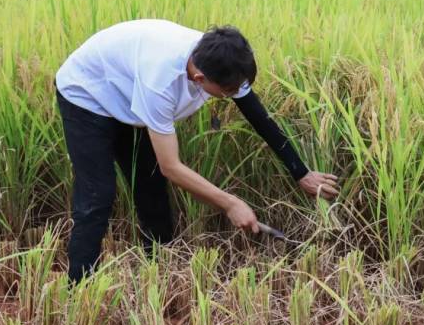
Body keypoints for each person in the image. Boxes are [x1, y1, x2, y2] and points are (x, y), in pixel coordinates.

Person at [55, 19, 339, 284]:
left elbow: (259, 117)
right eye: (228, 91)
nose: (233, 95)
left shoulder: (225, 62)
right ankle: (79, 288)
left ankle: (159, 268)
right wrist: (230, 203)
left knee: (150, 181)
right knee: (98, 195)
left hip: (128, 90)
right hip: (87, 94)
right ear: (200, 78)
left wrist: (300, 172)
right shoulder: (161, 82)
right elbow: (172, 167)